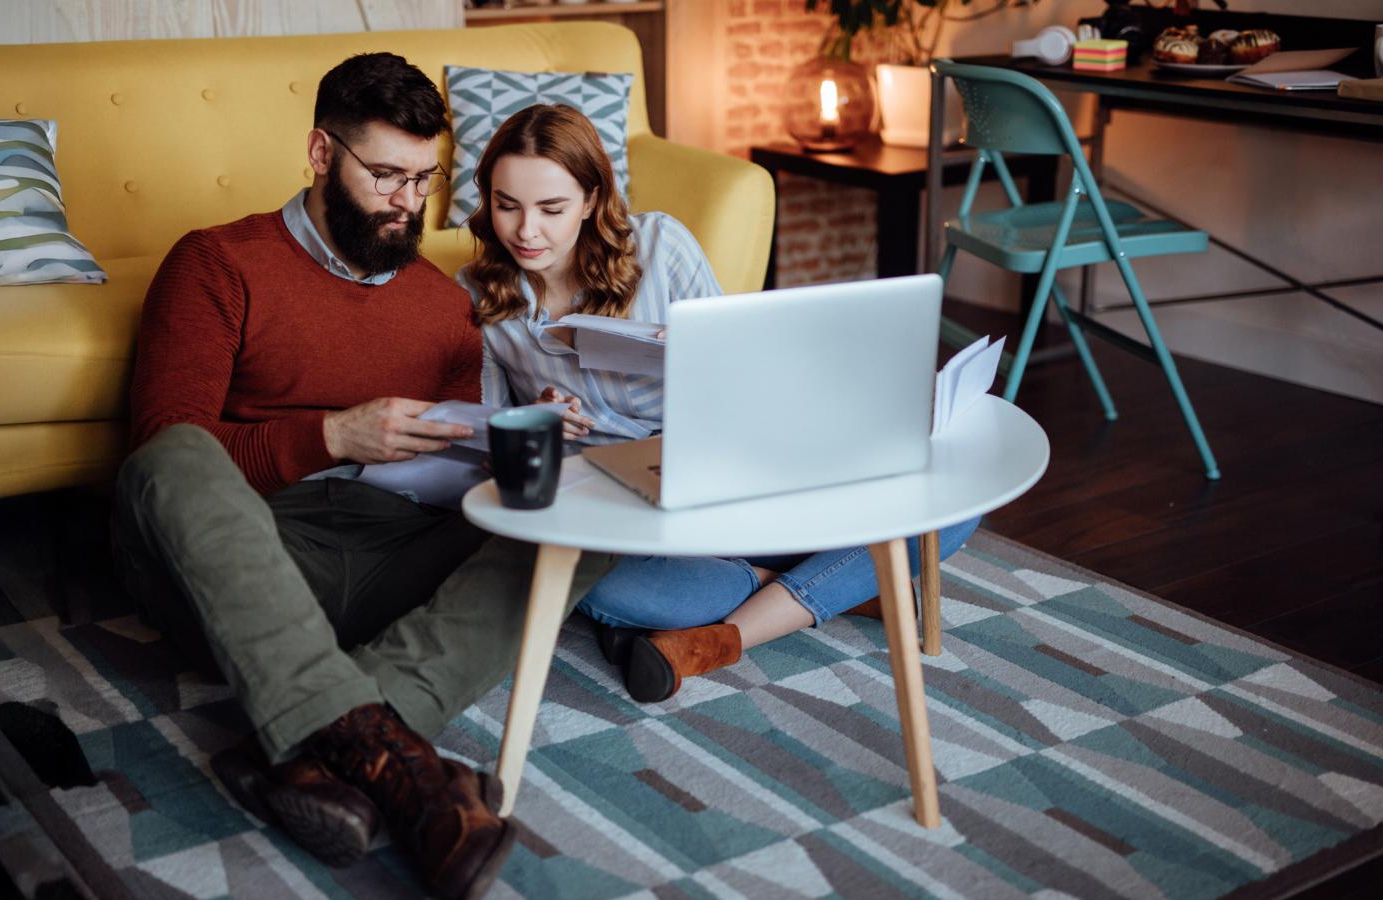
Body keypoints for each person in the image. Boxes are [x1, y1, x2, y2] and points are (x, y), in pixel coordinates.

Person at [110, 56, 616, 900]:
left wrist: (510, 446)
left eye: (425, 179)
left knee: (587, 500)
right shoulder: (216, 263)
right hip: (250, 555)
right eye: (384, 174)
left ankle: (330, 743)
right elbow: (166, 448)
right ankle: (411, 773)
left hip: (393, 549)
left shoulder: (442, 302)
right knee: (170, 457)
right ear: (319, 152)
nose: (406, 203)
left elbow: (457, 454)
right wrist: (330, 436)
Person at [458, 103, 979, 705]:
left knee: (950, 497)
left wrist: (709, 356)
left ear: (592, 198)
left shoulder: (659, 245)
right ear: (486, 198)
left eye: (551, 209)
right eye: (506, 205)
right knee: (599, 592)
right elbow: (491, 445)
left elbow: (750, 381)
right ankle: (827, 584)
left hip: (731, 468)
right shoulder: (480, 297)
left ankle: (723, 635)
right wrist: (538, 425)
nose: (527, 231)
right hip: (628, 506)